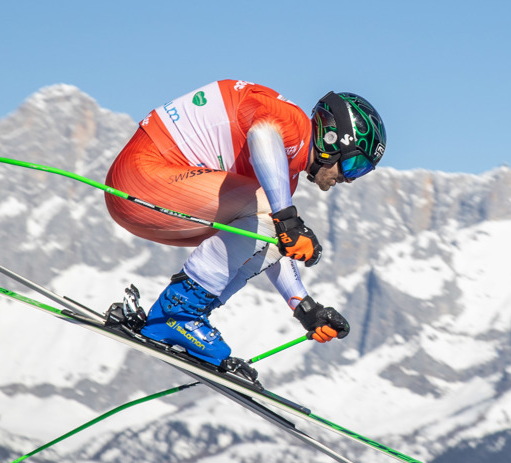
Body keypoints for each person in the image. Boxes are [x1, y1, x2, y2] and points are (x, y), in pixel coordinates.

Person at [102, 79, 386, 373]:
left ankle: (178, 320)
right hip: (140, 179)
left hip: (147, 193)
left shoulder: (284, 173)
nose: (349, 179)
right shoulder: (293, 123)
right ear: (332, 141)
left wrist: (305, 308)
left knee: (274, 227)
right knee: (276, 218)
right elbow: (263, 134)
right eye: (354, 166)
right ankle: (180, 312)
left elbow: (274, 237)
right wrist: (288, 219)